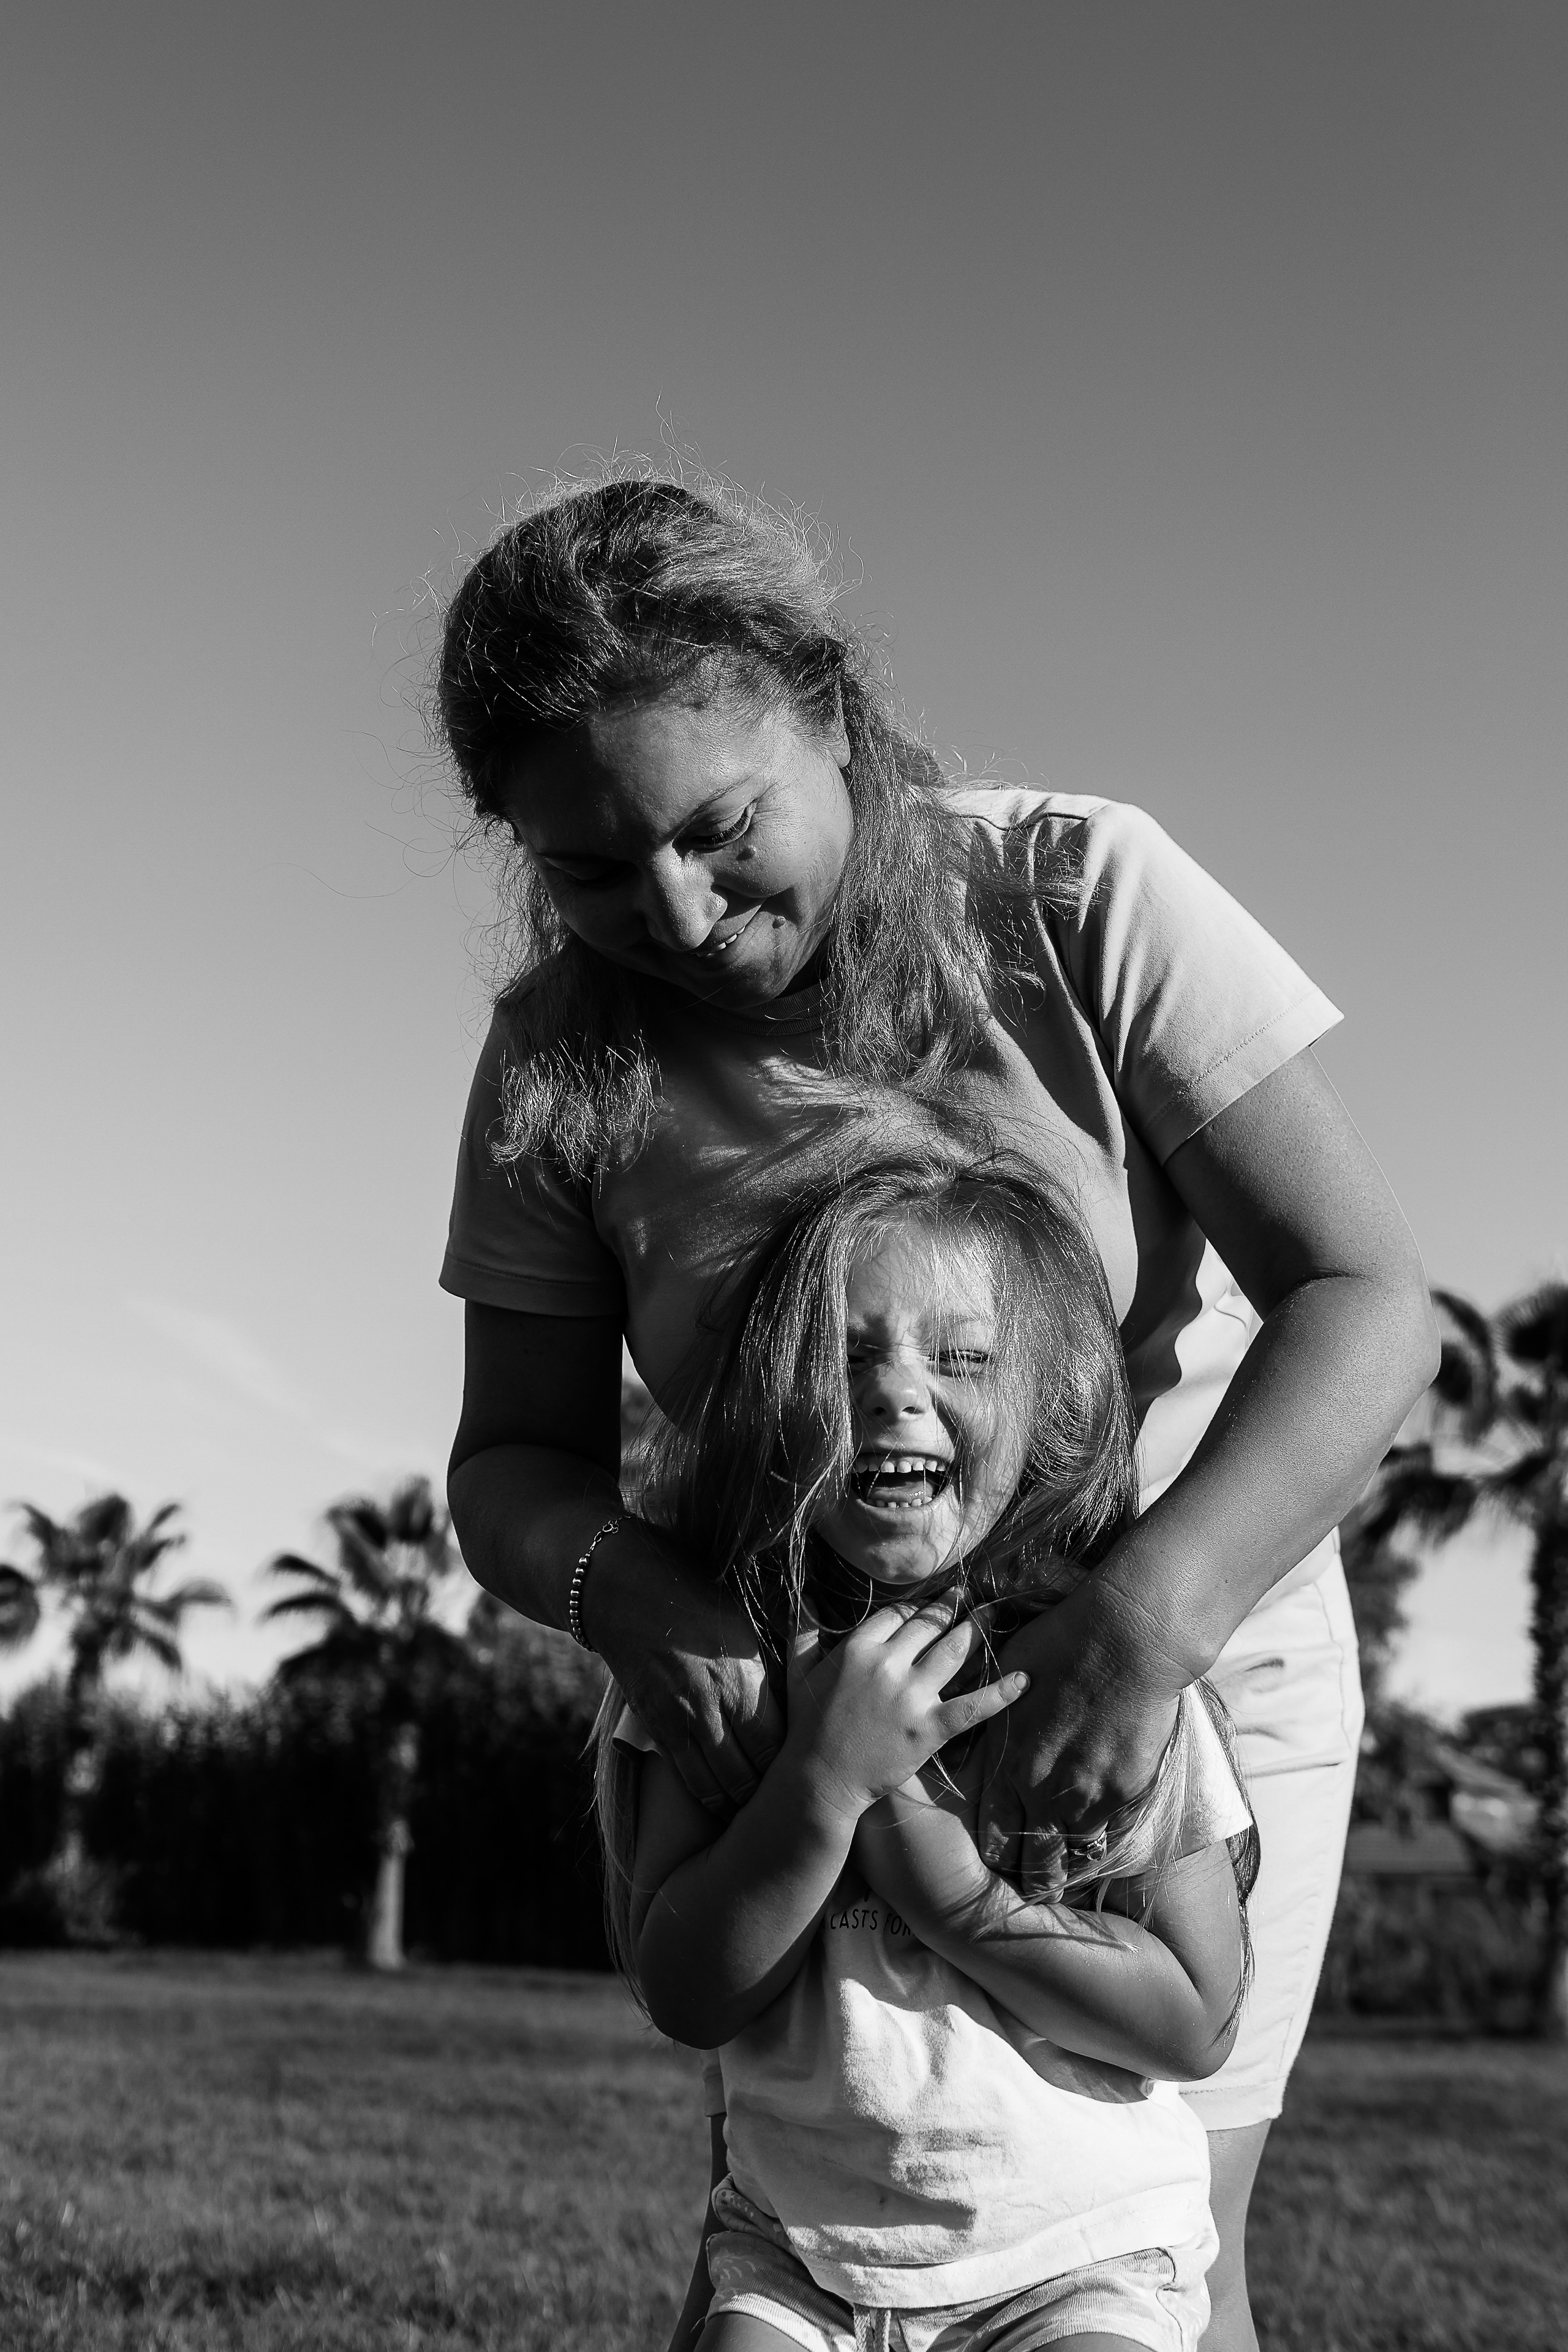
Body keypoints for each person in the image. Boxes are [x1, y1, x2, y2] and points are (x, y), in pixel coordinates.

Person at [435, 476, 1438, 2350]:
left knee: (1153, 2254)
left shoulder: (1079, 892)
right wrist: (645, 1607)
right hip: (810, 1696)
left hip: (1187, 1663)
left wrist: (1142, 1632)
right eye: (588, 867)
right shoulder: (559, 1055)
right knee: (832, 2239)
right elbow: (512, 1467)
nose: (675, 912)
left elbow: (1370, 1306)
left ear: (832, 708)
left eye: (721, 830)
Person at [597, 1149, 1259, 2352]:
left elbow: (1192, 2020)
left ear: (1048, 1407)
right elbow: (686, 1992)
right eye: (844, 1358)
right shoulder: (724, 1680)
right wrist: (819, 1789)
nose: (895, 1394)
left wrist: (951, 1897)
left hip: (1082, 2255)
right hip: (801, 2252)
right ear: (768, 1404)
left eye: (960, 1358)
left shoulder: (1100, 1687)